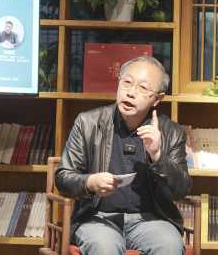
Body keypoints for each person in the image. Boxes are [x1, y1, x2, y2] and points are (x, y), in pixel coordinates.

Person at [55, 56, 190, 255]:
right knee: (104, 247)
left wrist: (157, 155)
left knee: (169, 245)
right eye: (127, 82)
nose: (131, 92)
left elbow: (181, 189)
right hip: (97, 218)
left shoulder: (171, 132)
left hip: (151, 220)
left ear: (157, 99)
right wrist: (90, 182)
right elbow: (63, 177)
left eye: (143, 88)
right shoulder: (88, 123)